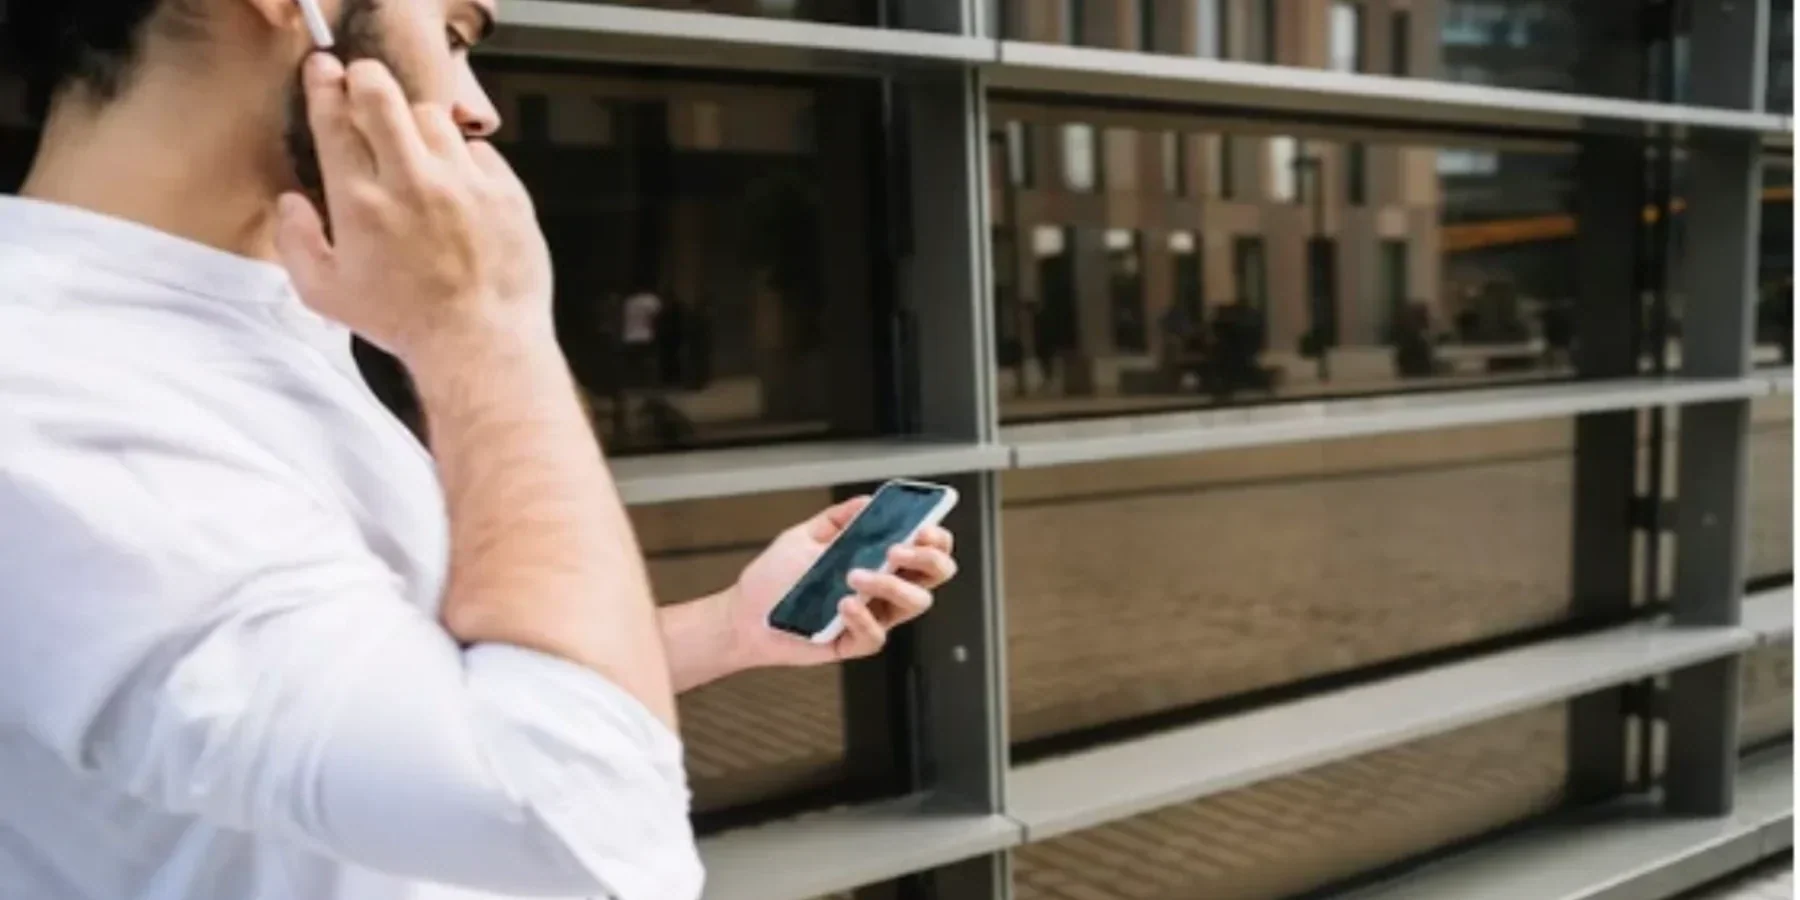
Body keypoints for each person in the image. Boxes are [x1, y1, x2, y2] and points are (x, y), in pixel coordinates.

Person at [0, 3, 959, 900]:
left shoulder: (274, 323)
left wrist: (729, 628)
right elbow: (580, 828)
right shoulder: (48, 388)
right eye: (453, 32)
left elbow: (414, 699)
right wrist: (490, 331)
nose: (480, 108)